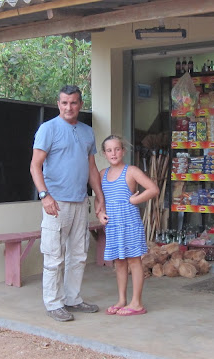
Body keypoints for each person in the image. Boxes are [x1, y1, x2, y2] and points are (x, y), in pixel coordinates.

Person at [30, 85, 105, 322]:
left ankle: (72, 299)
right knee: (54, 255)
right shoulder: (48, 129)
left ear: (80, 104)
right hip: (56, 203)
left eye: (73, 103)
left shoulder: (87, 131)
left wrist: (99, 196)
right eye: (64, 103)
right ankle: (53, 304)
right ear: (58, 104)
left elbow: (91, 167)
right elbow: (35, 166)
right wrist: (45, 196)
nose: (68, 107)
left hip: (80, 201)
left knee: (79, 253)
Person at [97, 135, 159, 316]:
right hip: (113, 226)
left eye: (117, 149)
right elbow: (99, 200)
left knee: (134, 261)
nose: (113, 153)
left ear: (123, 151)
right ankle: (122, 299)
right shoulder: (102, 174)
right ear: (104, 153)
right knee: (120, 262)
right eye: (109, 150)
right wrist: (100, 213)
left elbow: (153, 189)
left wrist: (135, 199)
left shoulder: (131, 171)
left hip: (130, 223)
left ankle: (137, 303)